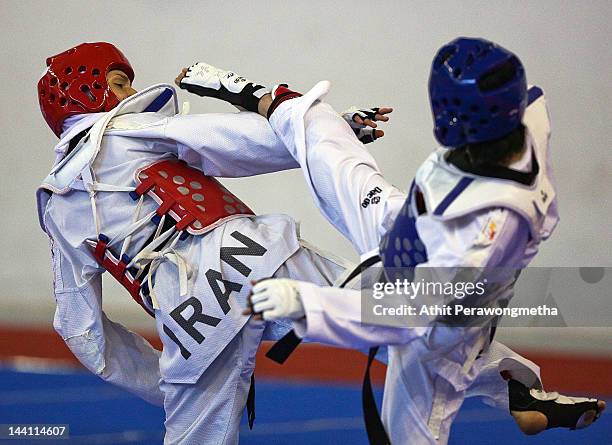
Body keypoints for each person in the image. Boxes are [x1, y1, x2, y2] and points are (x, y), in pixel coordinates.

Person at [196, 37, 606, 443]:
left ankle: (519, 392)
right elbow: (534, 100)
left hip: (439, 320)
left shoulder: (486, 229)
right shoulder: (528, 116)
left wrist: (309, 304)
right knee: (326, 139)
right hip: (404, 225)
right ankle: (249, 93)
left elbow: (406, 315)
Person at [36, 42, 359, 445]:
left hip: (194, 324)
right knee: (394, 305)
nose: (130, 95)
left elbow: (79, 329)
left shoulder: (56, 206)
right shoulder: (127, 130)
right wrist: (330, 133)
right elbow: (237, 139)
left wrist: (165, 378)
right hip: (249, 258)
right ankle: (457, 309)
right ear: (85, 92)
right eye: (119, 84)